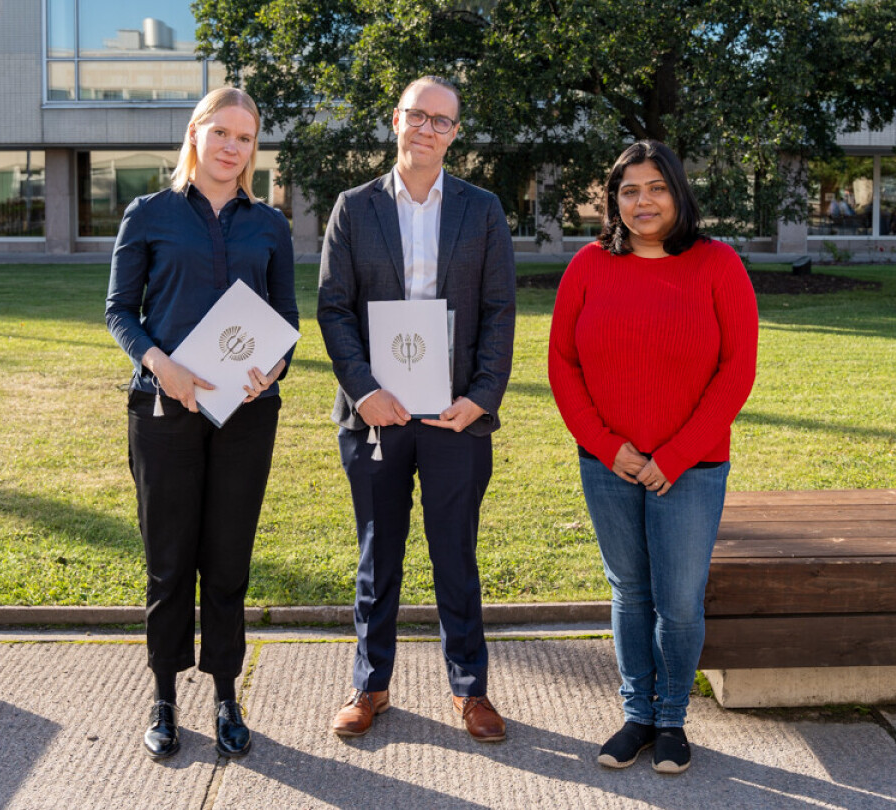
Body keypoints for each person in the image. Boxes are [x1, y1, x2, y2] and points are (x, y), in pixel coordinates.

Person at [547, 140, 758, 774]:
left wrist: (675, 454)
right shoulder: (587, 265)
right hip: (608, 465)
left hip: (689, 470)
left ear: (678, 193)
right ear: (614, 200)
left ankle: (671, 721)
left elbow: (736, 370)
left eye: (656, 188)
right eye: (630, 190)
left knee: (679, 599)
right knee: (630, 591)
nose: (643, 201)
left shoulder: (717, 264)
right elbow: (562, 364)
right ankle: (637, 714)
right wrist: (609, 448)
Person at [318, 75, 517, 743]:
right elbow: (334, 308)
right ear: (395, 120)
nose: (428, 129)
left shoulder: (481, 208)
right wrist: (364, 389)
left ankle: (471, 690)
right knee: (379, 553)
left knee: (454, 552)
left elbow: (498, 311)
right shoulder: (354, 206)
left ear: (455, 134)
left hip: (454, 415)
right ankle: (370, 685)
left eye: (442, 121)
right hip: (377, 412)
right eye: (417, 116)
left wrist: (481, 397)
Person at [105, 87, 298, 761]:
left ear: (253, 150)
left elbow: (287, 323)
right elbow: (120, 312)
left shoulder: (269, 224)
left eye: (245, 138)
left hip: (247, 415)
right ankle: (163, 696)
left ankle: (225, 694)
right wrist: (163, 365)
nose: (232, 148)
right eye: (221, 133)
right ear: (195, 135)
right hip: (164, 411)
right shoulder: (149, 214)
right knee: (168, 562)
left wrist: (275, 368)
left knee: (227, 561)